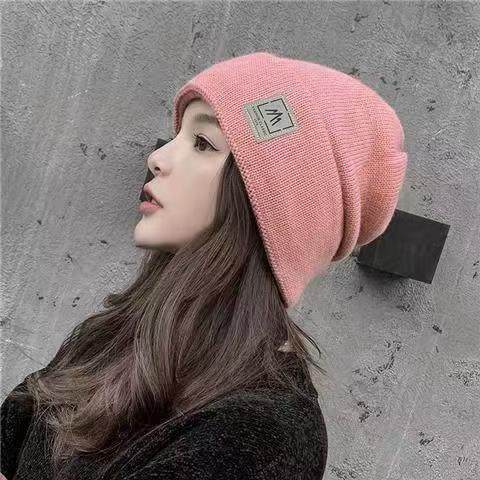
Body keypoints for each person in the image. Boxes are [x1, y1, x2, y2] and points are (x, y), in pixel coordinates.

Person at [1, 51, 408, 479]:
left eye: (202, 143)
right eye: (178, 135)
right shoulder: (112, 338)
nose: (158, 159)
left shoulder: (264, 433)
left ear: (266, 210)